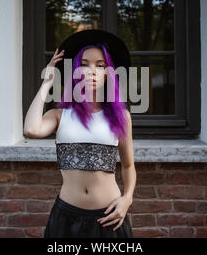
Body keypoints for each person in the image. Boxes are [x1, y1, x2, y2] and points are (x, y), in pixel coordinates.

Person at [23, 29, 136, 238]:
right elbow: (31, 129)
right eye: (84, 64)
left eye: (100, 66)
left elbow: (128, 166)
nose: (91, 71)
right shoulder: (59, 114)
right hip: (66, 217)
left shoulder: (121, 117)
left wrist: (127, 199)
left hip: (109, 216)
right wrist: (47, 82)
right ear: (75, 71)